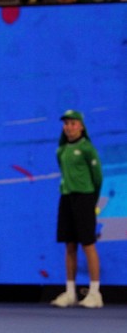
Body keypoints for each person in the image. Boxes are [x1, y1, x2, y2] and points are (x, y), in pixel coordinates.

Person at [50, 110, 103, 309]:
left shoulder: (87, 148)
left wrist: (91, 199)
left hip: (85, 198)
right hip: (67, 198)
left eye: (73, 123)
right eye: (66, 124)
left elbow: (97, 178)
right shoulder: (61, 150)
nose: (69, 127)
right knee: (69, 245)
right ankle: (71, 292)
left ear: (81, 126)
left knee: (88, 243)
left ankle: (95, 293)